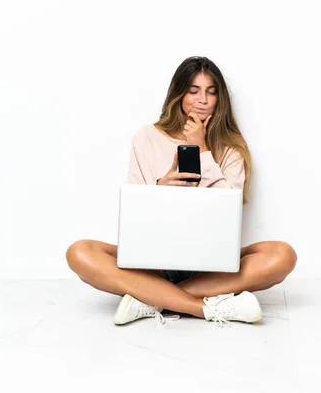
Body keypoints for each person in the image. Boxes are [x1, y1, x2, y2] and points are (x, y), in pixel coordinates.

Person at [65, 56, 297, 327]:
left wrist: (203, 150)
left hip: (214, 264)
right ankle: (205, 307)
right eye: (193, 90)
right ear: (179, 94)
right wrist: (161, 187)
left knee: (283, 255)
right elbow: (134, 215)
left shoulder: (231, 147)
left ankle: (149, 297)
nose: (203, 100)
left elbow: (230, 209)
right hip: (155, 263)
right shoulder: (146, 138)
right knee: (79, 252)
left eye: (211, 92)